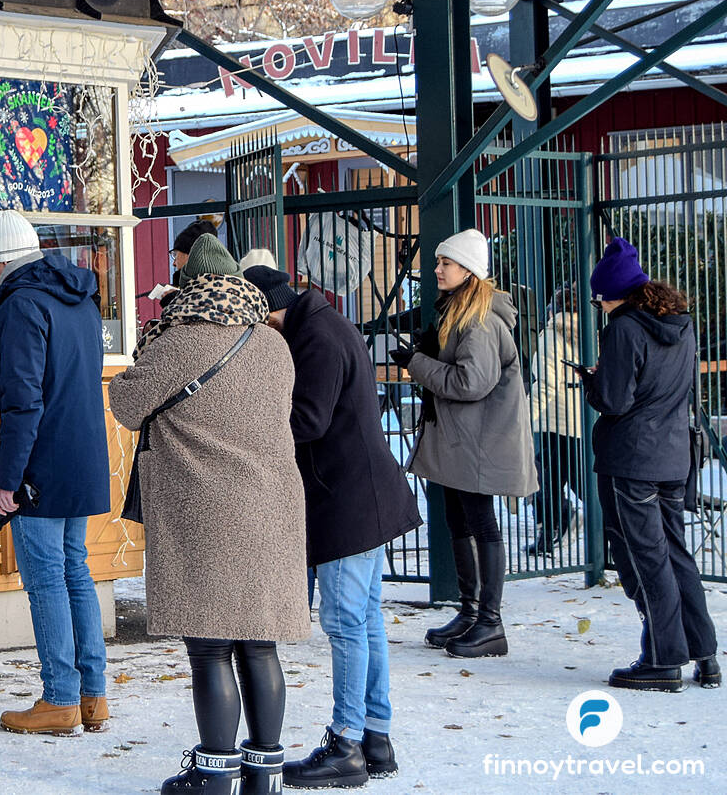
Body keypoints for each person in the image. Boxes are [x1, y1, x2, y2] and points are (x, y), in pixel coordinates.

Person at [111, 235, 308, 794]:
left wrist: (147, 352)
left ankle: (215, 774)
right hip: (272, 507)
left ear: (189, 287)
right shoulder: (273, 344)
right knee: (259, 640)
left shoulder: (181, 340)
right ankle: (265, 772)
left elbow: (126, 405)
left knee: (211, 645)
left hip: (207, 509)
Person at [246, 265, 422, 788]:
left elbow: (309, 420)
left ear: (267, 313)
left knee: (346, 624)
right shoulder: (325, 323)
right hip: (361, 492)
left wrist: (251, 420)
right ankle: (376, 737)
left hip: (346, 499)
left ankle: (345, 744)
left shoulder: (315, 338)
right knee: (365, 620)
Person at [0, 210, 112, 737]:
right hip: (82, 455)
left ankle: (58, 698)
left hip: (41, 464)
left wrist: (7, 482)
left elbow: (25, 405)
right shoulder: (78, 299)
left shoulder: (20, 306)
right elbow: (63, 378)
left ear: (3, 262)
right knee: (75, 571)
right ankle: (91, 696)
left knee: (46, 581)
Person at [579, 238, 719, 692]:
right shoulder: (681, 324)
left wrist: (593, 383)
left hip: (631, 459)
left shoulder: (623, 328)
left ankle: (662, 660)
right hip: (674, 457)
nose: (600, 306)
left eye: (601, 299)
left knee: (645, 560)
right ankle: (704, 653)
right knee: (676, 553)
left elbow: (616, 400)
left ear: (615, 295)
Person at [392, 229, 537, 660]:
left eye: (445, 264)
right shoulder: (458, 314)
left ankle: (491, 622)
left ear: (468, 272)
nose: (437, 270)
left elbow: (470, 383)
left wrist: (417, 364)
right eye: (437, 262)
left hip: (480, 442)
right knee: (459, 521)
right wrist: (425, 355)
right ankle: (471, 611)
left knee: (481, 524)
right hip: (462, 439)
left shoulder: (480, 322)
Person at [527, 289, 584, 556]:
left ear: (553, 309)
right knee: (554, 478)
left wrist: (525, 417)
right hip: (579, 418)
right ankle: (551, 532)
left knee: (544, 477)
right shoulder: (586, 333)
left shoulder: (552, 336)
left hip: (555, 419)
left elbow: (547, 386)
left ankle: (558, 526)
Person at [170, 217, 218, 286]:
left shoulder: (203, 287)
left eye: (175, 254)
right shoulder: (224, 281)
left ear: (190, 255)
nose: (174, 263)